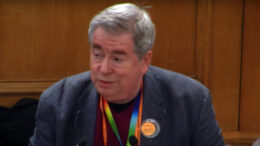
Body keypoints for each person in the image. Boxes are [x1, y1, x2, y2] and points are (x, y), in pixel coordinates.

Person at [29, 3, 225, 146]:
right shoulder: (58, 102)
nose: (104, 69)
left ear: (144, 61)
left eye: (117, 59)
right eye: (97, 55)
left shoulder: (190, 101)